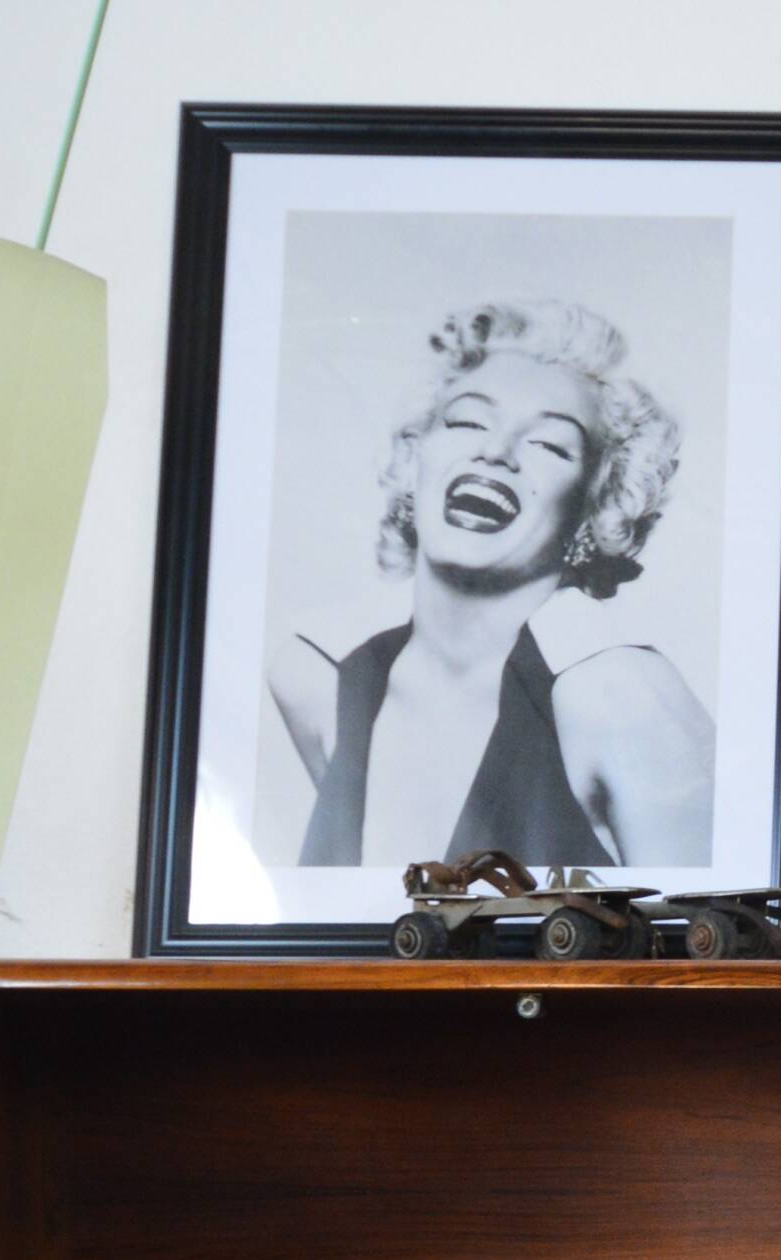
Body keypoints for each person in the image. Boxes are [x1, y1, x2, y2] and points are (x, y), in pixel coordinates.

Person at [273, 298, 714, 870]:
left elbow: (716, 944)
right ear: (414, 461)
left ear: (595, 508)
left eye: (551, 445)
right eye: (467, 421)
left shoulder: (623, 699)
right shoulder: (315, 684)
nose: (495, 452)